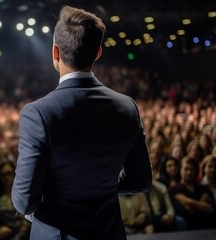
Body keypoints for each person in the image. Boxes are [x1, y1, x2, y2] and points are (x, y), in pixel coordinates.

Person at [11, 5, 152, 240]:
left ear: (55, 53)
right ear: (98, 53)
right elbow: (141, 180)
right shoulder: (127, 107)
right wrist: (101, 185)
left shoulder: (37, 113)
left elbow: (24, 201)